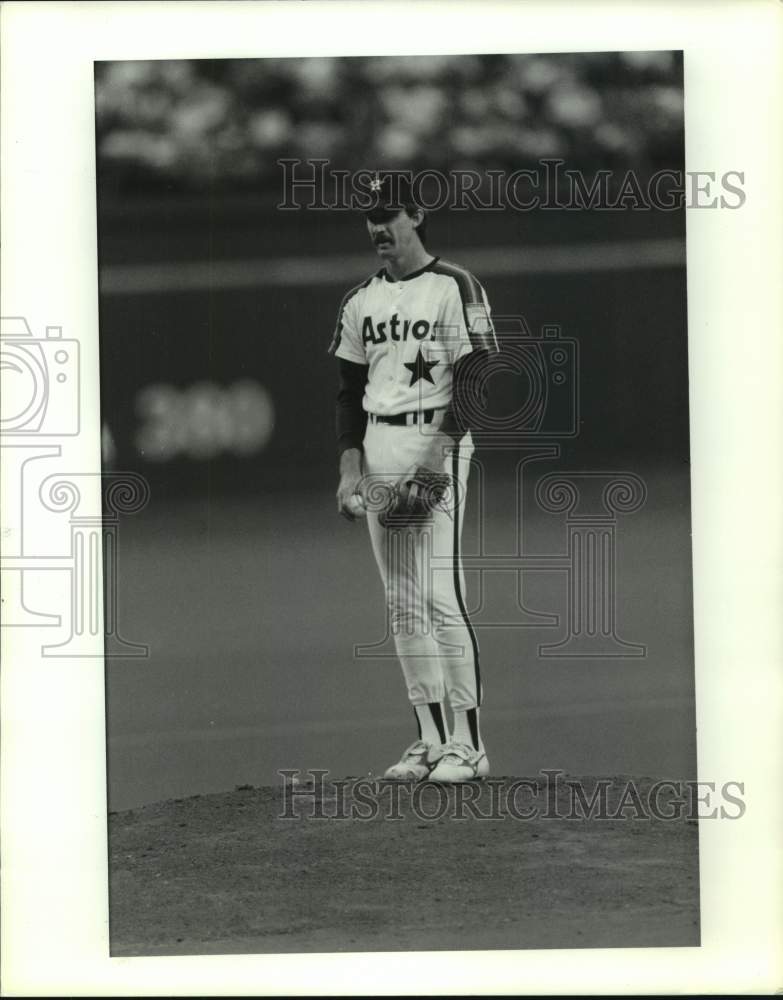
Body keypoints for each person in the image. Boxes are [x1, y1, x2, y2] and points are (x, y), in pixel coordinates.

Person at [329, 172, 498, 782]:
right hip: (379, 441)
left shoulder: (454, 285)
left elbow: (479, 378)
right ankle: (429, 737)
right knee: (401, 598)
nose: (379, 226)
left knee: (440, 593)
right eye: (371, 216)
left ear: (417, 215)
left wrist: (433, 462)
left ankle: (469, 744)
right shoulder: (359, 300)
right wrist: (350, 466)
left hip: (437, 437)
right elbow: (348, 393)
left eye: (389, 213)